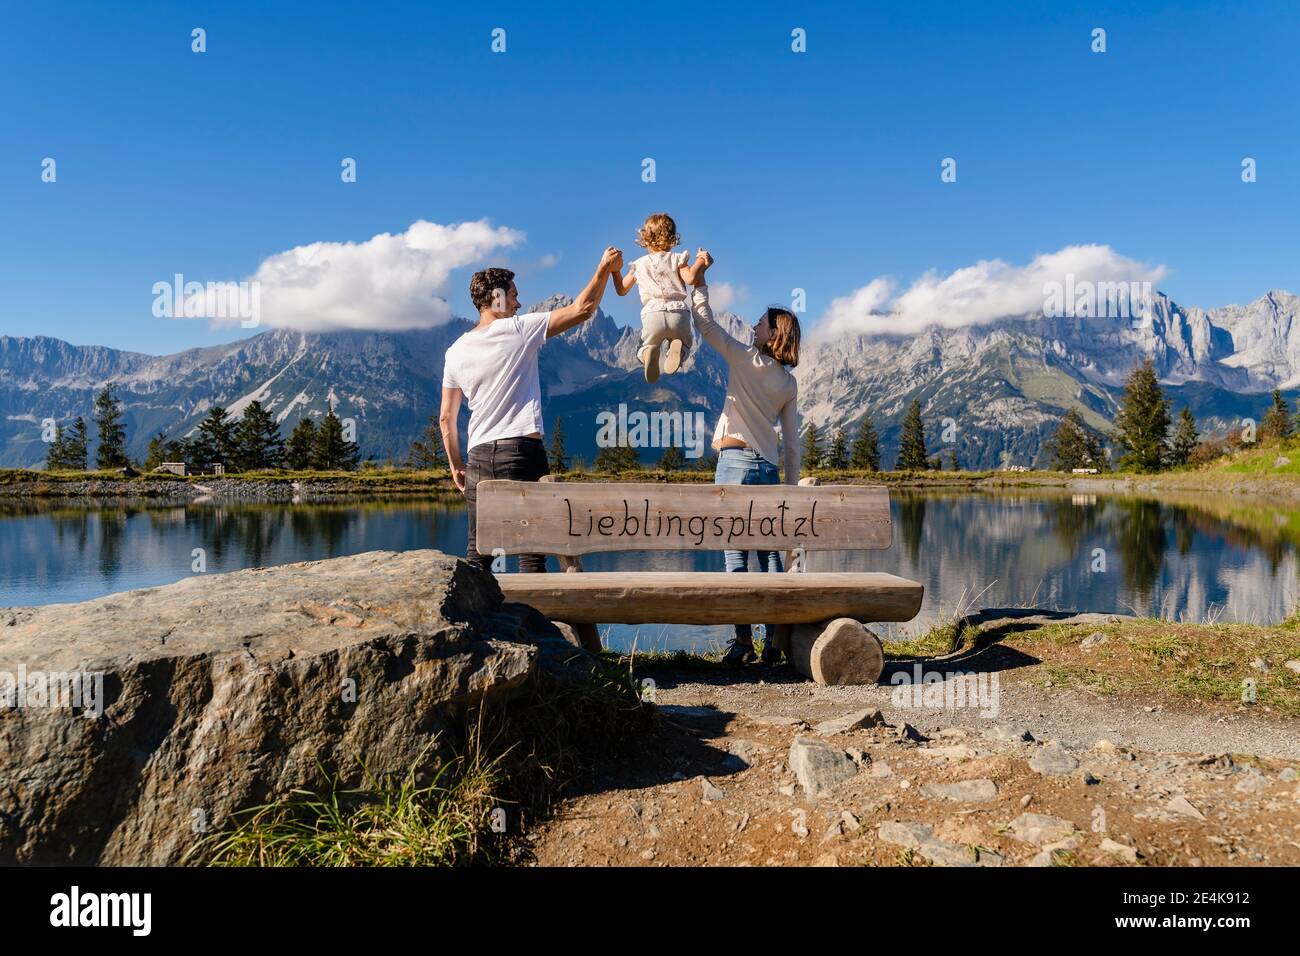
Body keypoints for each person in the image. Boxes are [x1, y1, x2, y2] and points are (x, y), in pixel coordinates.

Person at [440, 247, 621, 574]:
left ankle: (477, 621)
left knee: (479, 549)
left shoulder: (455, 352)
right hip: (522, 450)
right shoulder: (519, 330)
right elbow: (583, 309)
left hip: (478, 456)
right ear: (497, 297)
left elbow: (446, 419)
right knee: (532, 546)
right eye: (514, 296)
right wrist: (604, 269)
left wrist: (456, 466)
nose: (519, 304)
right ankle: (536, 622)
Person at [689, 250, 803, 665]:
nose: (752, 325)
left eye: (760, 322)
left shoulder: (743, 357)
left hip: (734, 464)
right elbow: (791, 443)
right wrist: (791, 489)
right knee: (770, 554)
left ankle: (742, 644)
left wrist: (698, 283)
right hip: (769, 470)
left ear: (772, 334)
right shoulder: (787, 384)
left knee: (734, 551)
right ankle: (773, 644)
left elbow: (705, 324)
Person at [609, 213, 708, 382]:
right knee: (684, 342)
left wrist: (614, 270)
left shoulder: (638, 265)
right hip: (678, 314)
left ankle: (648, 352)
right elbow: (691, 278)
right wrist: (701, 260)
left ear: (645, 239)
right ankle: (679, 349)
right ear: (672, 239)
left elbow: (621, 289)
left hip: (652, 315)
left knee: (644, 346)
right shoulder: (677, 259)